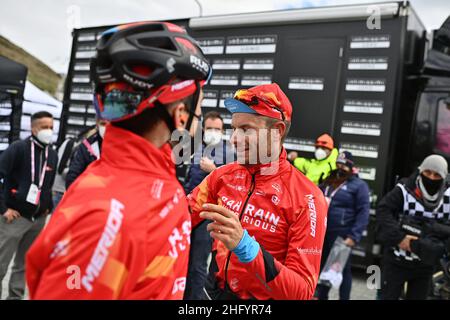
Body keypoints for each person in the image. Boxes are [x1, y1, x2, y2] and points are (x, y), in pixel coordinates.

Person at [25, 21, 211, 299]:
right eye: (200, 108)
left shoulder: (154, 177)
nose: (201, 119)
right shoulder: (104, 222)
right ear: (181, 116)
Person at [187, 83, 328, 300]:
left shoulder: (308, 198)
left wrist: (245, 246)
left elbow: (302, 292)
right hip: (214, 293)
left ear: (277, 131)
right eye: (234, 129)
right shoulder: (221, 176)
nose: (234, 139)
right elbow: (182, 217)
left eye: (245, 129)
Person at [0, 111, 57, 299]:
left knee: (23, 266)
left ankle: (14, 297)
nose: (48, 131)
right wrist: (3, 209)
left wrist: (47, 207)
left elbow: (47, 184)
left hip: (38, 220)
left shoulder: (52, 154)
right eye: (44, 127)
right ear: (33, 128)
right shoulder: (18, 148)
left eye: (51, 127)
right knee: (1, 263)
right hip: (14, 217)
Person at [376, 154, 450, 300]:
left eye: (437, 175)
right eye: (427, 172)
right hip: (396, 260)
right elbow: (383, 210)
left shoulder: (448, 196)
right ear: (420, 171)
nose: (432, 178)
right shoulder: (404, 189)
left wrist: (439, 245)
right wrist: (400, 238)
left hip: (426, 265)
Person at [183, 111, 235, 300]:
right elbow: (189, 178)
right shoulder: (196, 148)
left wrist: (214, 170)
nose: (213, 132)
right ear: (204, 129)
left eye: (217, 129)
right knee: (183, 262)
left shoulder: (230, 152)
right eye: (210, 128)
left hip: (208, 215)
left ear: (222, 131)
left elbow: (233, 186)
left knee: (198, 265)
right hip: (187, 211)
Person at [315, 151, 370, 300]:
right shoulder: (329, 180)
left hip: (342, 236)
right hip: (323, 233)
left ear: (351, 167)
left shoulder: (359, 186)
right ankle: (321, 296)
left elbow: (363, 212)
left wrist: (354, 236)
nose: (340, 168)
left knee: (342, 270)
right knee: (323, 269)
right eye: (338, 164)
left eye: (344, 165)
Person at [65, 118, 109, 189]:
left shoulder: (122, 146)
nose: (106, 127)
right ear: (97, 123)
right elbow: (72, 177)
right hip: (90, 193)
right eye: (103, 124)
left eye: (109, 124)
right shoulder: (86, 146)